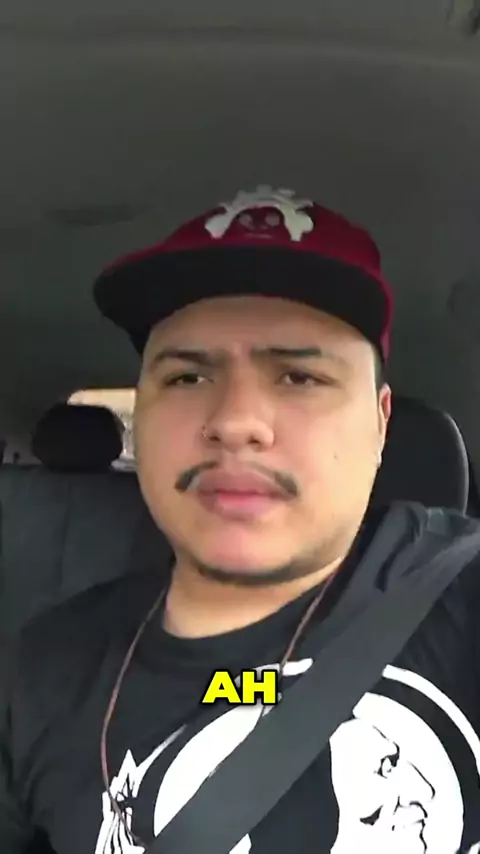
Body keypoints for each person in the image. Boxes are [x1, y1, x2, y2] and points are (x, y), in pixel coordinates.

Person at [0, 185, 479, 854]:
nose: (234, 422)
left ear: (380, 424)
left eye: (299, 377)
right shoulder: (45, 668)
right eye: (187, 378)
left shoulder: (459, 597)